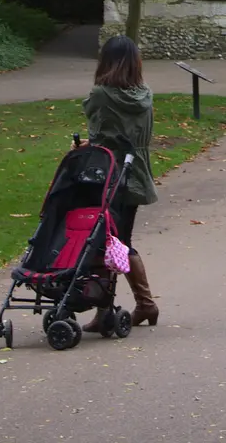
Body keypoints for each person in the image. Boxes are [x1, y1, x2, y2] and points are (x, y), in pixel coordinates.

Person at [83, 35, 159, 330]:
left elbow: (97, 125)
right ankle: (130, 306)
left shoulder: (102, 94)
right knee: (119, 239)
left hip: (109, 173)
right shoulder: (145, 94)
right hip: (136, 171)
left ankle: (139, 304)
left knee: (111, 242)